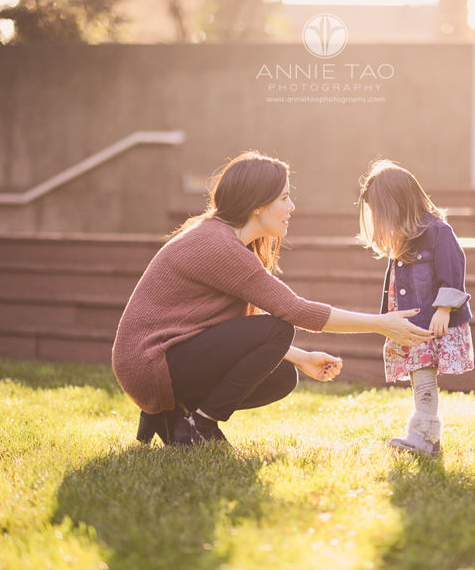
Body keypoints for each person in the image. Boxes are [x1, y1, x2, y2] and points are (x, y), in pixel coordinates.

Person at [111, 150, 434, 447]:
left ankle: (170, 415)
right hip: (151, 364)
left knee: (281, 377)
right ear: (257, 204)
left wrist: (302, 357)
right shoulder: (218, 245)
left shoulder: (223, 238)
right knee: (277, 329)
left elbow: (228, 332)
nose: (291, 207)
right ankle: (199, 426)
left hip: (159, 360)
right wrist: (380, 324)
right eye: (284, 198)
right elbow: (294, 310)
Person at [356, 159, 474, 456]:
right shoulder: (403, 239)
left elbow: (453, 272)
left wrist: (444, 309)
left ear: (397, 204)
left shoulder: (438, 232)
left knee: (423, 381)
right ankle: (427, 440)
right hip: (410, 325)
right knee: (418, 378)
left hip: (431, 324)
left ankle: (423, 437)